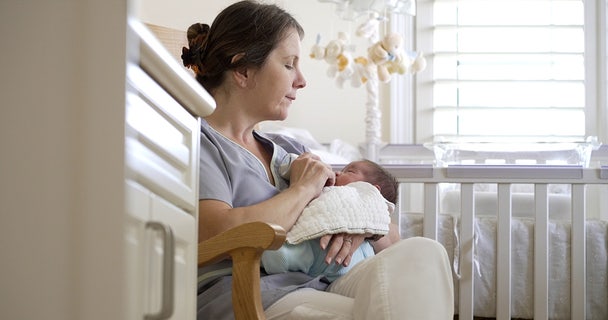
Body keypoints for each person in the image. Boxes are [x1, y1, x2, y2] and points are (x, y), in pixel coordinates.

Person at [182, 1, 454, 319]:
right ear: (243, 70)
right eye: (289, 64)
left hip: (320, 284)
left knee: (424, 252)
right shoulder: (200, 143)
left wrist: (359, 225)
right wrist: (303, 189)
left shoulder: (286, 146)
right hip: (254, 293)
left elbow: (392, 238)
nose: (301, 80)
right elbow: (219, 232)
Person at [261, 159, 401, 282]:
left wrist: (364, 224)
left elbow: (394, 237)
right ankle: (276, 256)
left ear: (372, 191)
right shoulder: (322, 188)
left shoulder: (373, 208)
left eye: (350, 171)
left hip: (357, 269)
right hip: (319, 255)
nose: (338, 173)